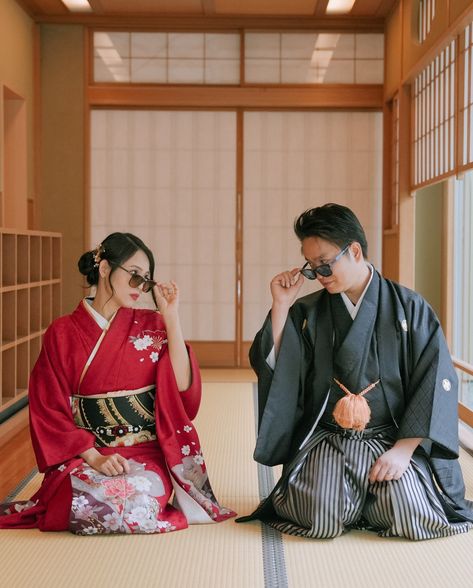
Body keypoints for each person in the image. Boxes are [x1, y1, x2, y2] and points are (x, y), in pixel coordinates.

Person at [237, 203, 473, 540]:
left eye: (325, 265)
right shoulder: (308, 311)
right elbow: (280, 370)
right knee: (321, 515)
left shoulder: (409, 307)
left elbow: (434, 379)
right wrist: (281, 306)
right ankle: (357, 501)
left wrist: (404, 451)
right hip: (328, 438)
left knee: (410, 512)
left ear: (355, 251)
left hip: (391, 437)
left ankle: (366, 499)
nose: (319, 276)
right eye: (312, 268)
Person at [0, 232, 235, 534]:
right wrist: (94, 456)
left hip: (143, 454)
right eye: (134, 276)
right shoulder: (61, 332)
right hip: (84, 452)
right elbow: (49, 407)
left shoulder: (153, 326)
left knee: (134, 502)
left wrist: (171, 317)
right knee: (79, 503)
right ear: (105, 268)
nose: (141, 287)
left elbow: (183, 391)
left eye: (146, 280)